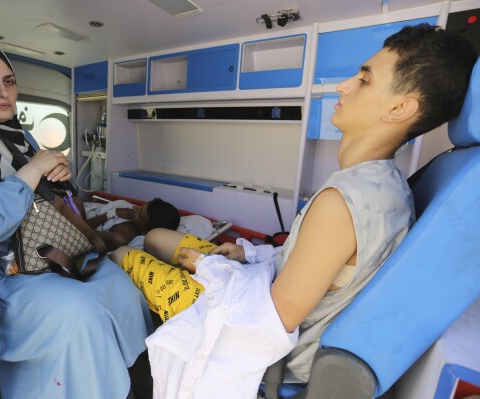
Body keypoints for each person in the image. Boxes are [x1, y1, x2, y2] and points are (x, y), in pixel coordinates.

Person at [111, 24, 478, 397]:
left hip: (266, 342)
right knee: (155, 237)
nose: (343, 86)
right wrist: (245, 254)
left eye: (364, 80)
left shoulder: (343, 202)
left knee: (122, 252)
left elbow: (267, 322)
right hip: (267, 289)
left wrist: (213, 269)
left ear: (399, 108)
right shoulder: (384, 183)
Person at [0, 40, 152, 398]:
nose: (4, 93)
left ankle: (136, 382)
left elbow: (47, 192)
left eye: (10, 81)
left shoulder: (19, 135)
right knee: (80, 314)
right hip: (4, 271)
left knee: (122, 288)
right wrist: (34, 168)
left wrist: (54, 172)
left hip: (47, 253)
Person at [84, 198, 181, 251]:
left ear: (147, 230)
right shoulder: (127, 209)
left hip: (78, 223)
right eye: (140, 206)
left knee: (77, 201)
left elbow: (82, 232)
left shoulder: (120, 239)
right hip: (87, 209)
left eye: (139, 213)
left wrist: (113, 213)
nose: (134, 208)